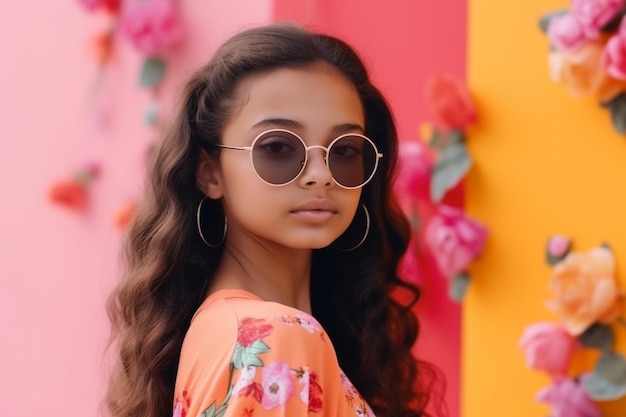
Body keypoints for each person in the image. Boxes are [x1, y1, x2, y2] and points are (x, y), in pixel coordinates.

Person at [105, 23, 441, 417]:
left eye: (345, 150)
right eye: (278, 147)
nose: (321, 174)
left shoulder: (222, 333)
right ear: (209, 172)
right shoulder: (277, 339)